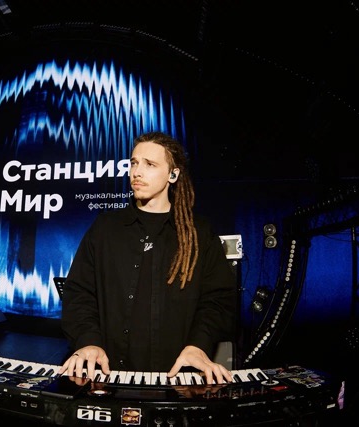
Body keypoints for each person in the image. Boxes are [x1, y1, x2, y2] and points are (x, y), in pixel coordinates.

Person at [58, 131, 237, 385]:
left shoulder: (199, 233)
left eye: (150, 164)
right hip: (107, 379)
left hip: (175, 381)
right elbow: (79, 293)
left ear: (173, 175)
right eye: (134, 163)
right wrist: (88, 341)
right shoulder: (105, 228)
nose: (137, 172)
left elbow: (218, 301)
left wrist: (198, 345)